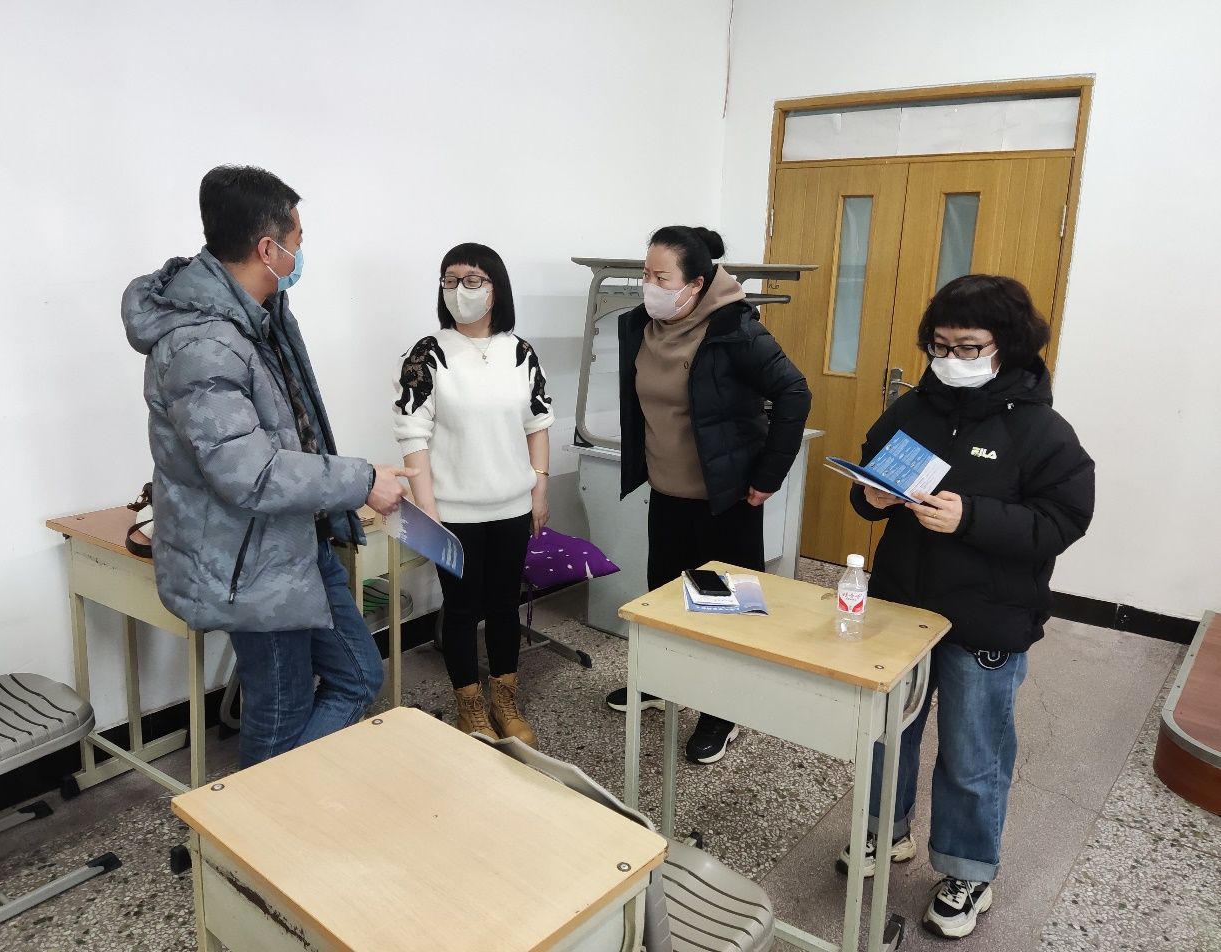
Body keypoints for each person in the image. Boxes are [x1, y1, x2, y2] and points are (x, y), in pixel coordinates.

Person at [122, 165, 413, 769]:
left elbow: (292, 428)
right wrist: (362, 481)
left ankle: (286, 800)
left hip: (294, 541)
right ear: (266, 248)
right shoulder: (203, 344)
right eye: (297, 239)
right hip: (251, 568)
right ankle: (265, 815)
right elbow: (249, 473)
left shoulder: (259, 313)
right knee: (280, 713)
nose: (300, 252)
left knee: (359, 676)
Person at [838, 274, 1095, 939]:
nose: (952, 358)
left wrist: (971, 517)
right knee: (887, 733)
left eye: (969, 346)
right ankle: (884, 831)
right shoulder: (914, 409)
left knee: (973, 752)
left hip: (987, 618)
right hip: (902, 608)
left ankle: (968, 871)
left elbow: (1064, 520)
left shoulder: (1041, 430)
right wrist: (872, 497)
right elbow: (869, 479)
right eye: (941, 345)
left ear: (1007, 345)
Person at [605, 225, 812, 764]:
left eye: (661, 277)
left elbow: (794, 391)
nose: (648, 286)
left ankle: (723, 710)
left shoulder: (735, 329)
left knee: (722, 607)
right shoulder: (642, 326)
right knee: (663, 595)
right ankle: (660, 682)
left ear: (696, 283)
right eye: (645, 274)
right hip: (668, 490)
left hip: (726, 497)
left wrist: (769, 474)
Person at [392, 243, 554, 746]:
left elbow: (538, 423)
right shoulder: (429, 353)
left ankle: (504, 700)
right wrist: (428, 510)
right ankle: (470, 708)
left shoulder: (519, 352)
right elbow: (412, 434)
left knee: (504, 604)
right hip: (453, 511)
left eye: (472, 279)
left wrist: (540, 486)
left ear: (495, 289)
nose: (459, 289)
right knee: (461, 609)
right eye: (450, 279)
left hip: (512, 505)